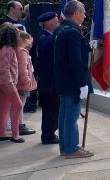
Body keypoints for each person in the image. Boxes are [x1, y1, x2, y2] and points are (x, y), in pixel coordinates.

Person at [52, 0, 94, 158]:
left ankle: (65, 147)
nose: (84, 15)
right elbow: (75, 60)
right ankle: (72, 149)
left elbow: (66, 53)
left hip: (62, 80)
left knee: (63, 115)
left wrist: (88, 45)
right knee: (71, 116)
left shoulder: (60, 29)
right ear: (76, 13)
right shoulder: (73, 32)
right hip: (72, 82)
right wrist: (82, 83)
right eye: (83, 12)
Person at [36, 12, 60, 144]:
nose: (58, 22)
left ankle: (49, 133)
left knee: (52, 109)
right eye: (56, 20)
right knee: (50, 110)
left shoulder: (48, 36)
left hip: (51, 81)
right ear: (48, 23)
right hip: (48, 82)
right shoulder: (44, 38)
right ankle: (48, 135)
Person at [0, 23, 24, 143]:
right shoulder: (8, 49)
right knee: (18, 105)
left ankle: (2, 132)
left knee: (4, 107)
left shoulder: (4, 48)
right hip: (7, 83)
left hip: (4, 82)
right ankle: (15, 134)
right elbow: (4, 69)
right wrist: (10, 84)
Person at [16, 31, 37, 136]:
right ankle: (19, 126)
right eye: (29, 41)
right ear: (24, 40)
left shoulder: (17, 50)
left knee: (18, 105)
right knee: (20, 105)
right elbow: (22, 69)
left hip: (19, 83)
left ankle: (18, 125)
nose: (30, 44)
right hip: (22, 84)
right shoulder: (22, 52)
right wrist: (27, 81)